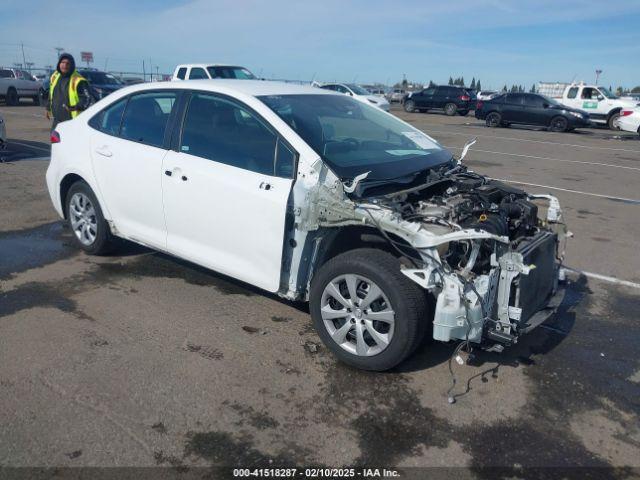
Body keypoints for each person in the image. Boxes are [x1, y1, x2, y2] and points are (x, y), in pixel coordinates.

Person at [46, 53, 92, 128]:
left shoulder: (78, 80)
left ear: (72, 65)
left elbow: (87, 99)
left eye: (68, 63)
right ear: (59, 64)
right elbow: (51, 94)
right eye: (62, 62)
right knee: (55, 139)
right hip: (57, 121)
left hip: (72, 122)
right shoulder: (55, 76)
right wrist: (48, 109)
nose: (65, 65)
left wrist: (75, 107)